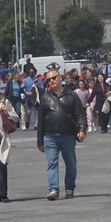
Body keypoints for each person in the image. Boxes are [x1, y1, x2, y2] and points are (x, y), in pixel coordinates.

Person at [37, 68, 86, 200]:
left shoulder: (71, 95)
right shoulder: (45, 97)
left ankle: (70, 188)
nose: (51, 81)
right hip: (50, 136)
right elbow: (40, 121)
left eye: (53, 78)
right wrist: (40, 141)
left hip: (68, 135)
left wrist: (82, 129)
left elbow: (80, 115)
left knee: (70, 163)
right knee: (52, 163)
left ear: (60, 78)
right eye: (49, 79)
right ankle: (53, 189)